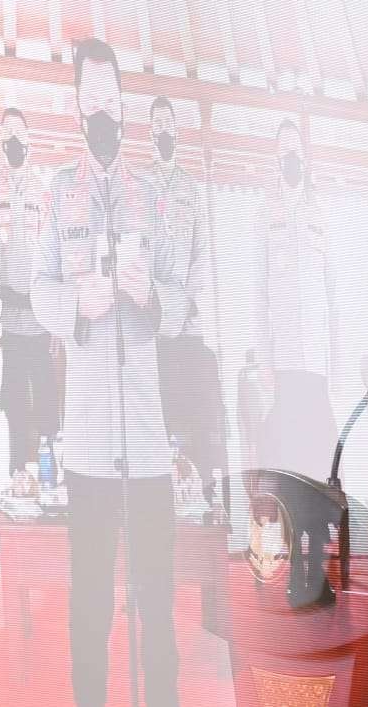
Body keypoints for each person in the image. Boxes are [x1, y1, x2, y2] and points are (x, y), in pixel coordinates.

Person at [31, 38, 182, 706]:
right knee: (90, 600)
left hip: (148, 440)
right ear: (76, 105)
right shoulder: (57, 192)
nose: (103, 109)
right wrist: (75, 304)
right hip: (89, 439)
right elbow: (38, 292)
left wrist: (149, 293)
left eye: (112, 97)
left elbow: (184, 302)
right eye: (91, 97)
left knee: (156, 600)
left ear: (124, 104)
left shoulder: (152, 195)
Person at [144, 95, 225, 508]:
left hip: (188, 321)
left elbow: (201, 252)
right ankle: (163, 498)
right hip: (155, 324)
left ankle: (201, 498)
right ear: (149, 131)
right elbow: (140, 254)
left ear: (178, 130)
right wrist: (161, 306)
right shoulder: (139, 186)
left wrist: (185, 302)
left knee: (195, 414)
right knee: (160, 417)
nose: (164, 130)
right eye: (157, 123)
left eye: (169, 123)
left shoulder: (192, 188)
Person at [253, 118, 339, 481]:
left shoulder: (321, 213)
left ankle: (323, 537)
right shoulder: (264, 213)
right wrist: (264, 360)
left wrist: (335, 358)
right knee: (288, 462)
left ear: (304, 155)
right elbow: (258, 296)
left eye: (295, 148)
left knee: (323, 459)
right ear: (276, 157)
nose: (290, 155)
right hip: (284, 358)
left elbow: (333, 296)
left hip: (317, 359)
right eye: (283, 149)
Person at [0, 107, 57, 476]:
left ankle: (51, 480)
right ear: (1, 143)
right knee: (13, 405)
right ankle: (17, 479)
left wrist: (58, 319)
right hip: (9, 321)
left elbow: (55, 257)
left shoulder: (44, 191)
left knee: (46, 406)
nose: (13, 141)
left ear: (30, 141)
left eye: (19, 134)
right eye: (6, 134)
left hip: (42, 319)